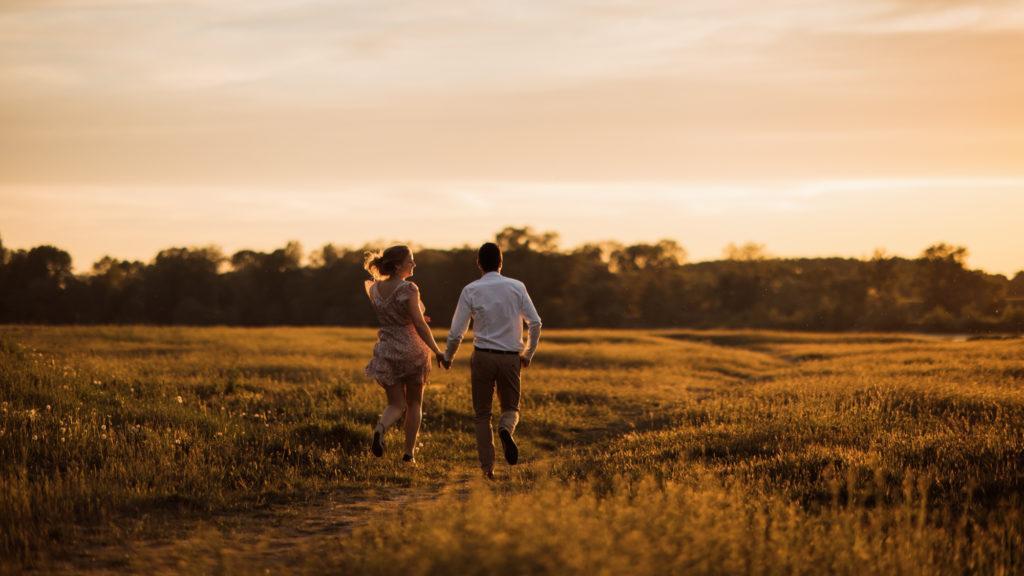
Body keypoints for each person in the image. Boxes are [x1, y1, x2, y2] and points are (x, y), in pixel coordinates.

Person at [445, 242, 542, 479]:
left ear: (479, 263)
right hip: (510, 358)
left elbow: (457, 332)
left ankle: (488, 467)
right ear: (501, 262)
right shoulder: (517, 287)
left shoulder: (471, 290)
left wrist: (448, 356)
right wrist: (527, 354)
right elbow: (535, 323)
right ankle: (505, 429)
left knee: (482, 414)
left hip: (482, 357)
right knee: (510, 409)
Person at [363, 245, 446, 464]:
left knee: (395, 405)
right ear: (399, 265)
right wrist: (437, 350)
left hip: (387, 349)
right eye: (411, 260)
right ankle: (409, 454)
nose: (414, 264)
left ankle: (380, 429)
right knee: (414, 404)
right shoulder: (409, 288)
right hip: (412, 349)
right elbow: (418, 323)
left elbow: (395, 315)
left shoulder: (374, 289)